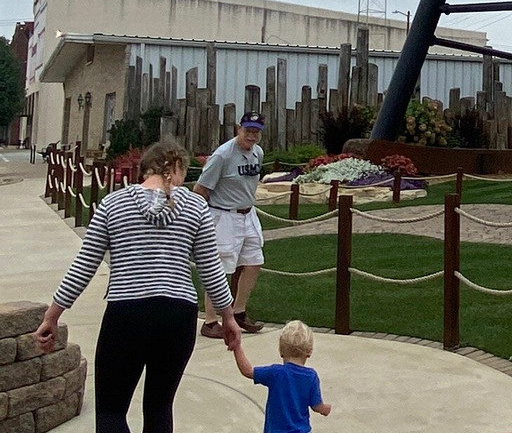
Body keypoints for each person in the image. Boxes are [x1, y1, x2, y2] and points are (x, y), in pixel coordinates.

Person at [33, 139, 241, 433]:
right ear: (177, 168)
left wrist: (52, 315)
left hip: (127, 313)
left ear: (145, 170)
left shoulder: (113, 204)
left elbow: (84, 266)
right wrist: (228, 317)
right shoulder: (196, 207)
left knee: (111, 410)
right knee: (159, 407)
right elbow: (211, 268)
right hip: (178, 316)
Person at [196, 110, 267, 338]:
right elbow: (200, 189)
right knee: (220, 267)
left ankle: (239, 311)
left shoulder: (257, 153)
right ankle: (210, 320)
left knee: (254, 261)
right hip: (224, 214)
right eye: (248, 131)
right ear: (239, 129)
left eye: (256, 132)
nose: (251, 136)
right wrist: (201, 218)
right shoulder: (222, 155)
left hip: (248, 214)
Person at [233, 319, 332, 433]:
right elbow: (316, 406)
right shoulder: (311, 376)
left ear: (281, 350)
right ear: (309, 352)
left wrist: (237, 347)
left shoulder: (275, 373)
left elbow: (248, 371)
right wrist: (324, 408)